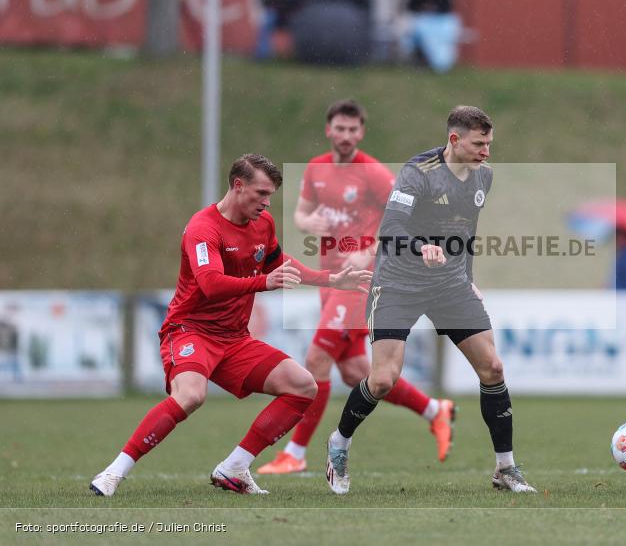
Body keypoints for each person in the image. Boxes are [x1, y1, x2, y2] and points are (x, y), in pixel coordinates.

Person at [89, 154, 372, 497]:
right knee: (191, 395)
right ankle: (114, 472)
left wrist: (330, 279)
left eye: (270, 195)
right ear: (238, 186)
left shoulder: (263, 223)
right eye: (261, 193)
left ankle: (235, 467)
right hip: (190, 330)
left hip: (235, 339)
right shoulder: (202, 229)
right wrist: (263, 283)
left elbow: (278, 263)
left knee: (303, 386)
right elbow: (210, 283)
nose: (267, 202)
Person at [323, 106, 537, 495]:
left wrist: (467, 278)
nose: (487, 152)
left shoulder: (483, 176)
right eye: (479, 144)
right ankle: (339, 442)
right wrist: (422, 247)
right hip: (398, 284)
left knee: (492, 367)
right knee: (383, 379)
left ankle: (505, 468)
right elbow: (391, 228)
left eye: (489, 143)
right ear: (454, 139)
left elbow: (467, 232)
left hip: (449, 284)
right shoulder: (418, 172)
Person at [256, 100, 456, 475]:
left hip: (360, 282)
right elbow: (300, 214)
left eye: (353, 129)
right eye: (340, 128)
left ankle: (295, 453)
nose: (346, 136)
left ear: (361, 132)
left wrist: (367, 252)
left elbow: (403, 220)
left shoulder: (374, 174)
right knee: (355, 372)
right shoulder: (316, 168)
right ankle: (434, 410)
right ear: (328, 130)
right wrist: (308, 223)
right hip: (331, 280)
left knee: (316, 360)